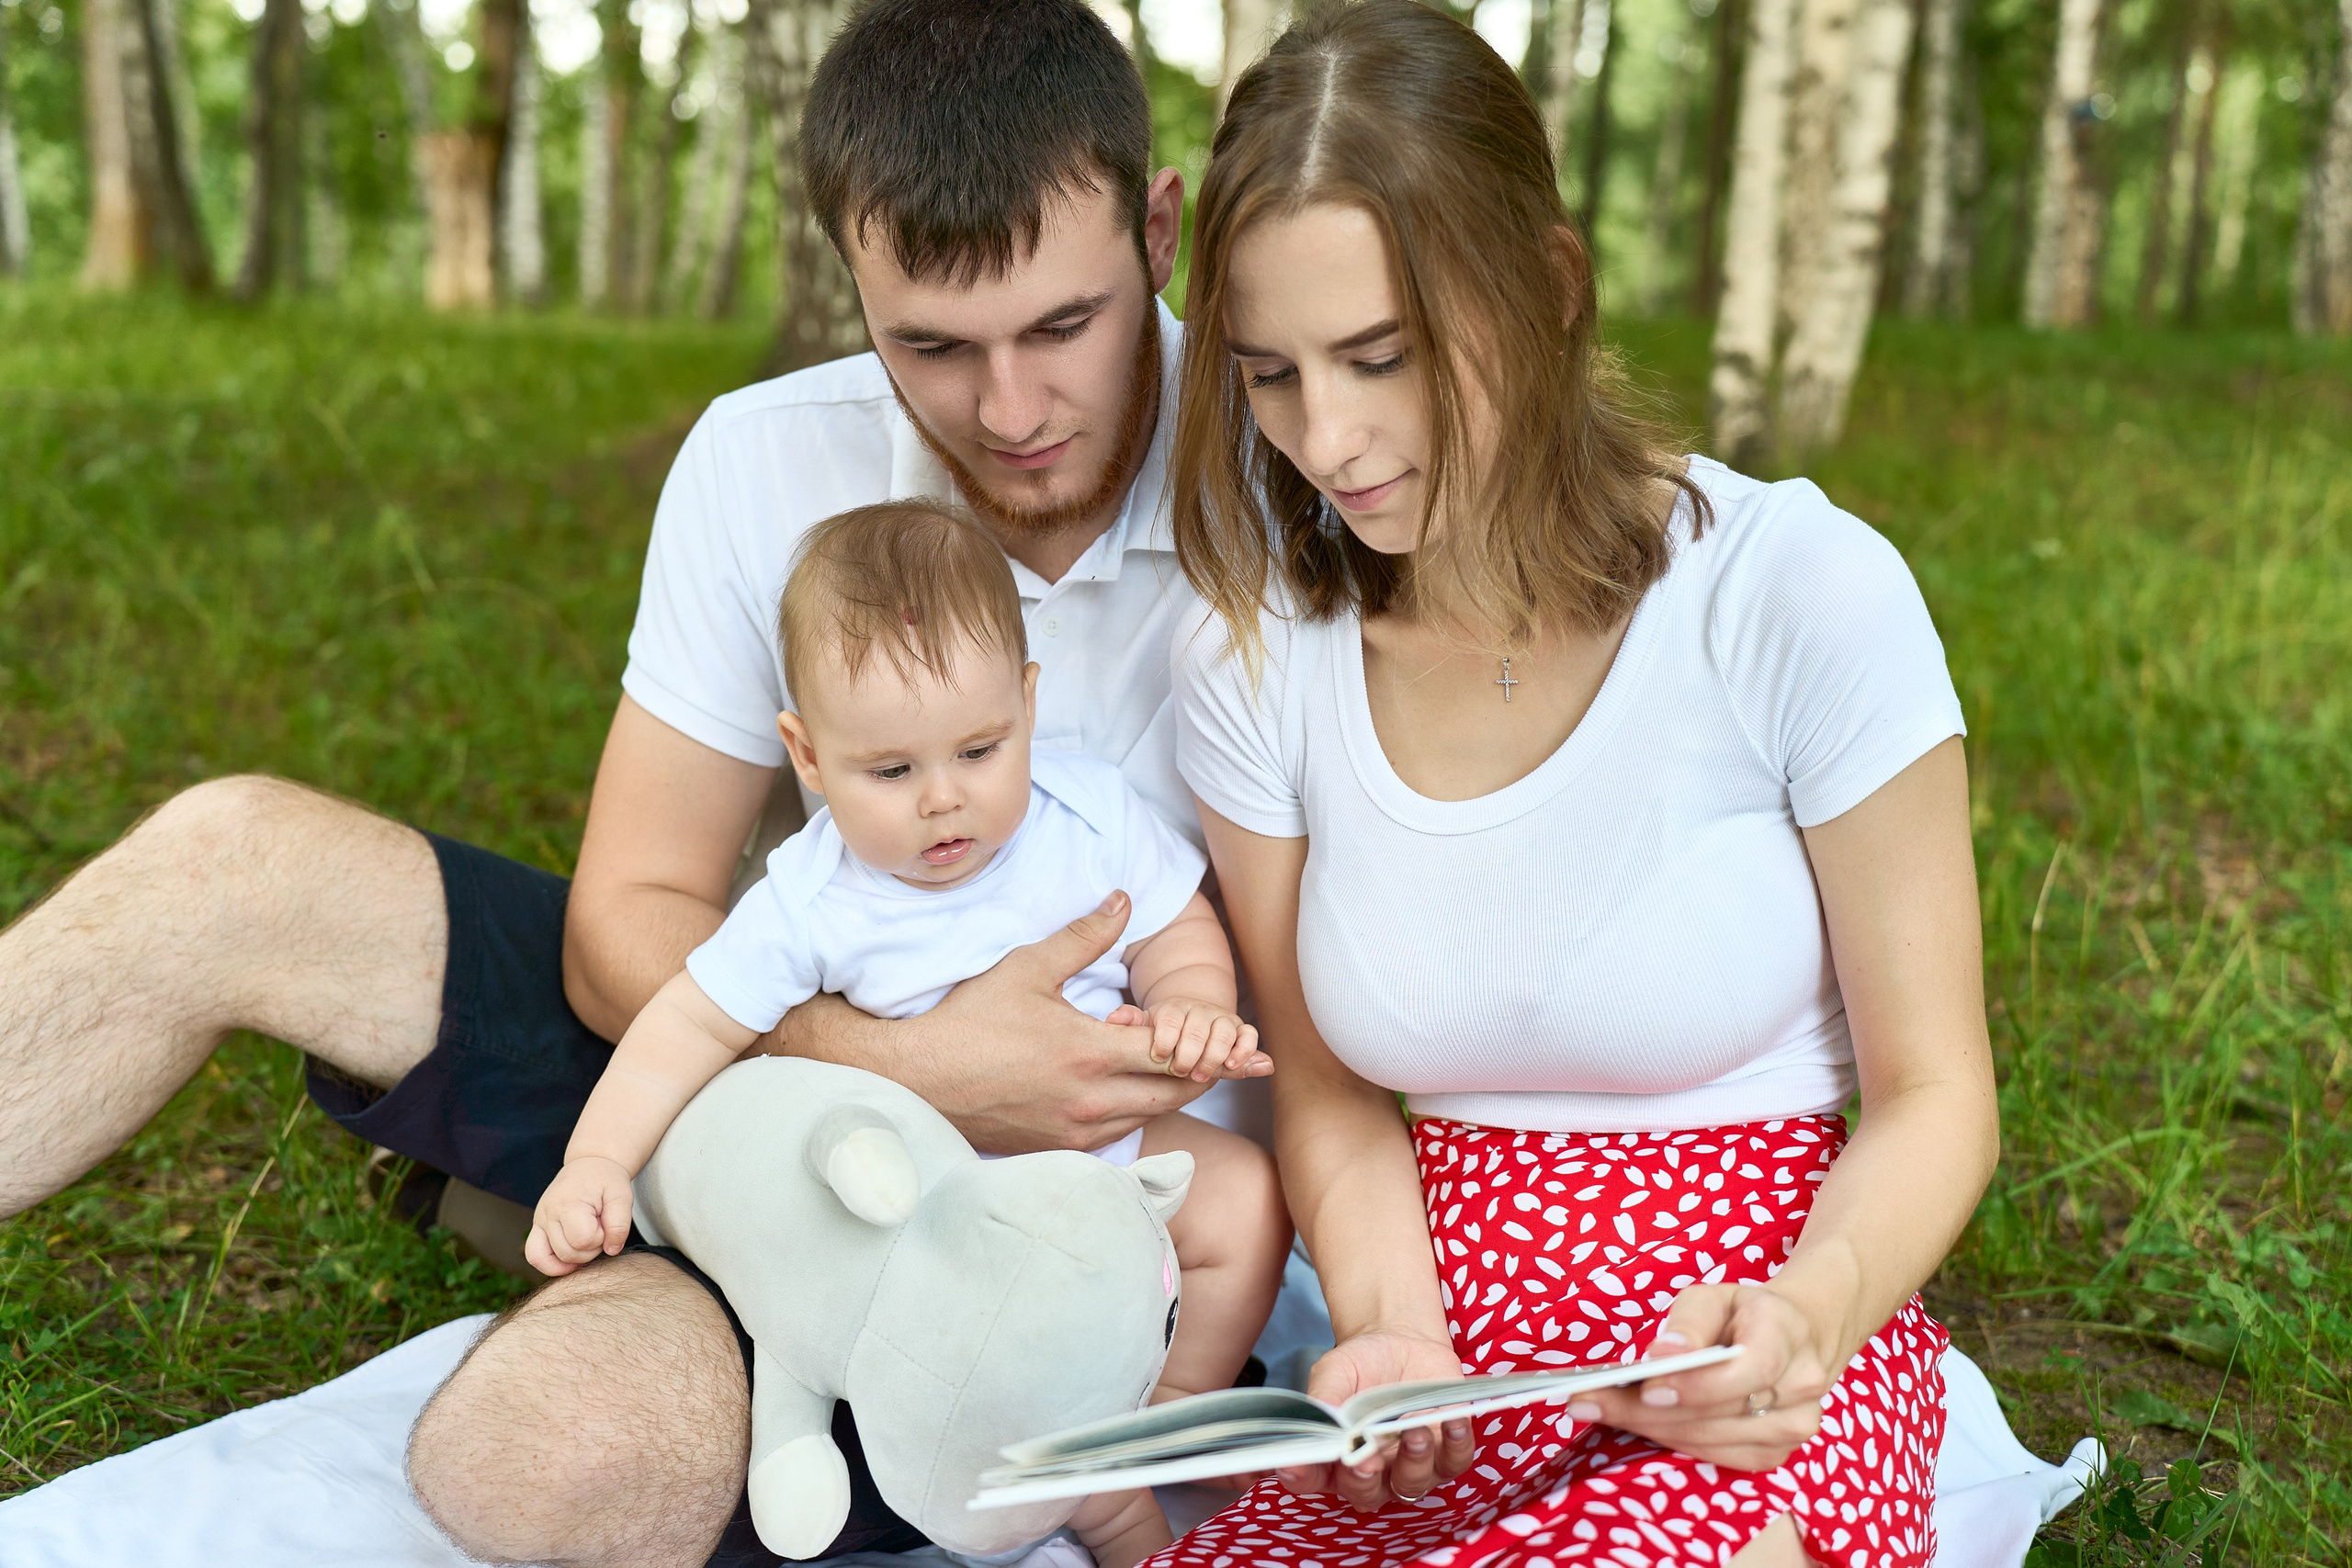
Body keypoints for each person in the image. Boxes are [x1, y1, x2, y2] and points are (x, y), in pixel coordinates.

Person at [0, 4, 1278, 1565]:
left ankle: (618, 1267)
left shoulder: (1301, 479)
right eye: (932, 347)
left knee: (566, 1445)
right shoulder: (762, 458)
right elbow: (632, 916)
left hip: (1057, 1237)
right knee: (229, 858)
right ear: (850, 276)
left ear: (1159, 231)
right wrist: (906, 1062)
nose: (1009, 412)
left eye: (1062, 326)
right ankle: (594, 1199)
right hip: (745, 1053)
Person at [1146, 5, 2000, 1567]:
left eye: (1383, 357)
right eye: (1270, 374)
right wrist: (1393, 1329)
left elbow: (1940, 1095)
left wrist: (1810, 1312)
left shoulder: (1795, 592)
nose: (1328, 437)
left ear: (1546, 286)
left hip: (1755, 1342)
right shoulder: (1255, 661)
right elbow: (1326, 1086)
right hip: (1452, 1365)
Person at [526, 507, 1287, 1565]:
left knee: (1245, 1200)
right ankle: (1070, 1483)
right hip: (926, 1220)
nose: (943, 800)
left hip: (1102, 1163)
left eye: (979, 749)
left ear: (1027, 702)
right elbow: (686, 1025)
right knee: (952, 1346)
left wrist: (1191, 1001)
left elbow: (1172, 923)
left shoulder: (1089, 817)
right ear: (807, 755)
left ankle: (1156, 1415)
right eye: (889, 771)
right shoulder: (811, 901)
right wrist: (598, 1161)